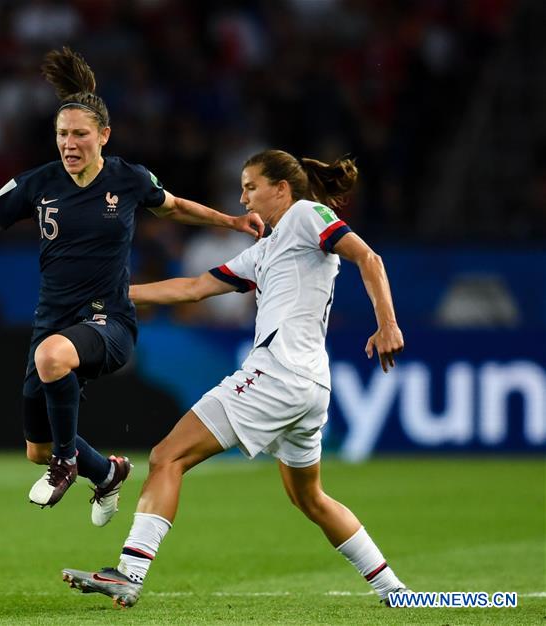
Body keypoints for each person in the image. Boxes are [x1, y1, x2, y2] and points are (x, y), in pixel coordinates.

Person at [0, 48, 263, 527]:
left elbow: (176, 207)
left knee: (52, 361)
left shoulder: (128, 179)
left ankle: (66, 465)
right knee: (36, 448)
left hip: (109, 320)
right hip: (53, 321)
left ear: (104, 135)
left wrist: (231, 221)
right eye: (62, 134)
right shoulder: (36, 184)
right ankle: (106, 472)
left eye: (80, 134)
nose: (69, 143)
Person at [62, 149, 411, 606]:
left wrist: (388, 324)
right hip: (309, 387)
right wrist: (111, 296)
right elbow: (192, 288)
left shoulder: (307, 215)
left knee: (167, 457)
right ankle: (394, 590)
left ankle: (129, 573)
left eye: (251, 187)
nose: (243, 198)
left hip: (277, 374)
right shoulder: (265, 250)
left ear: (281, 189)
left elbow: (370, 258)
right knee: (310, 499)